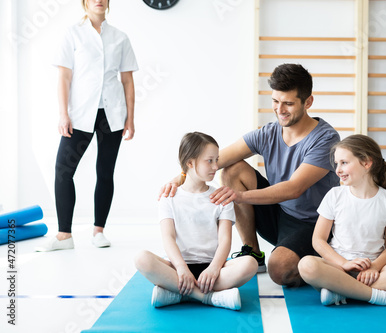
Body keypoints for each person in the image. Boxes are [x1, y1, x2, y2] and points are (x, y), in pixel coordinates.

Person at [161, 64, 340, 287]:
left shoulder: (325, 139)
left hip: (313, 223)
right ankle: (253, 252)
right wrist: (181, 177)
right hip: (279, 214)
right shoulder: (269, 133)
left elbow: (294, 188)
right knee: (233, 170)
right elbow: (218, 159)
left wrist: (240, 197)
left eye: (288, 103)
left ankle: (326, 263)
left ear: (308, 102)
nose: (280, 109)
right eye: (275, 101)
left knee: (280, 269)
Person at [36, 0, 138, 252]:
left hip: (111, 114)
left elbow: (127, 81)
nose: (99, 0)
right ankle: (64, 235)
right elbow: (64, 76)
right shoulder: (72, 34)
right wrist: (63, 114)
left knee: (104, 172)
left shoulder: (120, 37)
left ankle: (99, 231)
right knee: (63, 170)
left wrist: (131, 118)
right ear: (84, 2)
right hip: (80, 114)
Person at [298, 134, 386, 307]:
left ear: (366, 163)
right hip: (337, 268)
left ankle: (342, 290)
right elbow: (318, 240)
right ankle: (384, 297)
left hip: (374, 272)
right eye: (337, 163)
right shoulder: (334, 195)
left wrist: (375, 267)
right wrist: (345, 264)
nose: (338, 169)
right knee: (307, 265)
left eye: (344, 162)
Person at [135, 132, 258, 311]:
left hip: (213, 271)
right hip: (178, 268)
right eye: (210, 161)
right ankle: (207, 297)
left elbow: (225, 240)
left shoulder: (221, 197)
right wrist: (182, 269)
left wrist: (214, 268)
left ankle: (178, 293)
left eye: (217, 159)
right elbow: (168, 238)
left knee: (250, 263)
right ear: (190, 163)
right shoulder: (169, 197)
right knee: (141, 258)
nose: (216, 166)